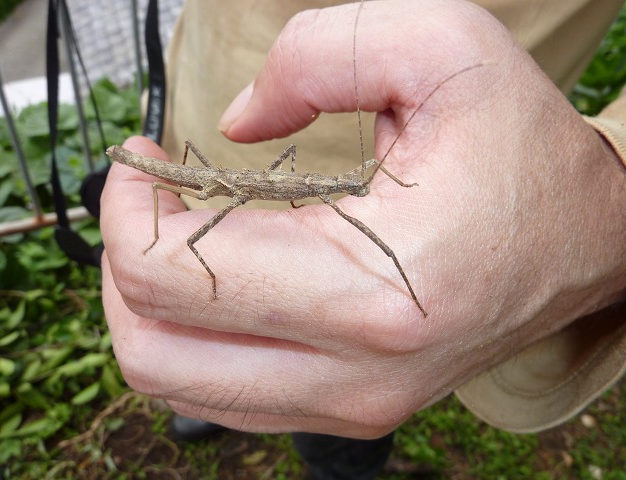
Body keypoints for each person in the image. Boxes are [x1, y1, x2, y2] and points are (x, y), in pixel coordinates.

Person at [100, 0, 626, 478]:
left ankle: (320, 456)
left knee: (315, 385)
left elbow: (362, 175)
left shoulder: (332, 183)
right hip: (209, 138)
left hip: (287, 219)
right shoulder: (267, 178)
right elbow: (209, 221)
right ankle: (212, 400)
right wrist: (167, 246)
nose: (358, 185)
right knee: (201, 266)